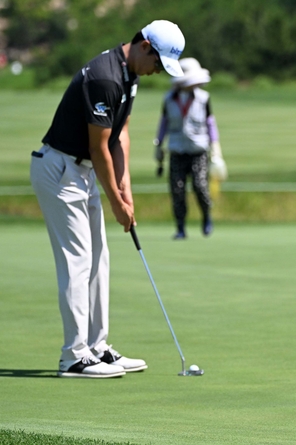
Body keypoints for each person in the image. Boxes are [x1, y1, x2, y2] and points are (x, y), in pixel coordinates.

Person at [30, 20, 186, 378]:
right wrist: (116, 200)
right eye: (158, 63)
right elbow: (98, 147)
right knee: (78, 261)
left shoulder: (128, 75)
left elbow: (121, 135)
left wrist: (125, 186)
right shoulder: (105, 77)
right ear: (144, 45)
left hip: (81, 172)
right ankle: (73, 355)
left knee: (99, 259)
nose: (157, 72)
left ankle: (96, 347)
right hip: (59, 170)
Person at [154, 57, 227, 240]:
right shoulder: (169, 99)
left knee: (200, 186)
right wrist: (158, 144)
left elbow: (211, 124)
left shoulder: (204, 98)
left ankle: (206, 217)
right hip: (177, 151)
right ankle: (180, 227)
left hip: (198, 151)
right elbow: (164, 123)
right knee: (177, 190)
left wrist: (216, 148)